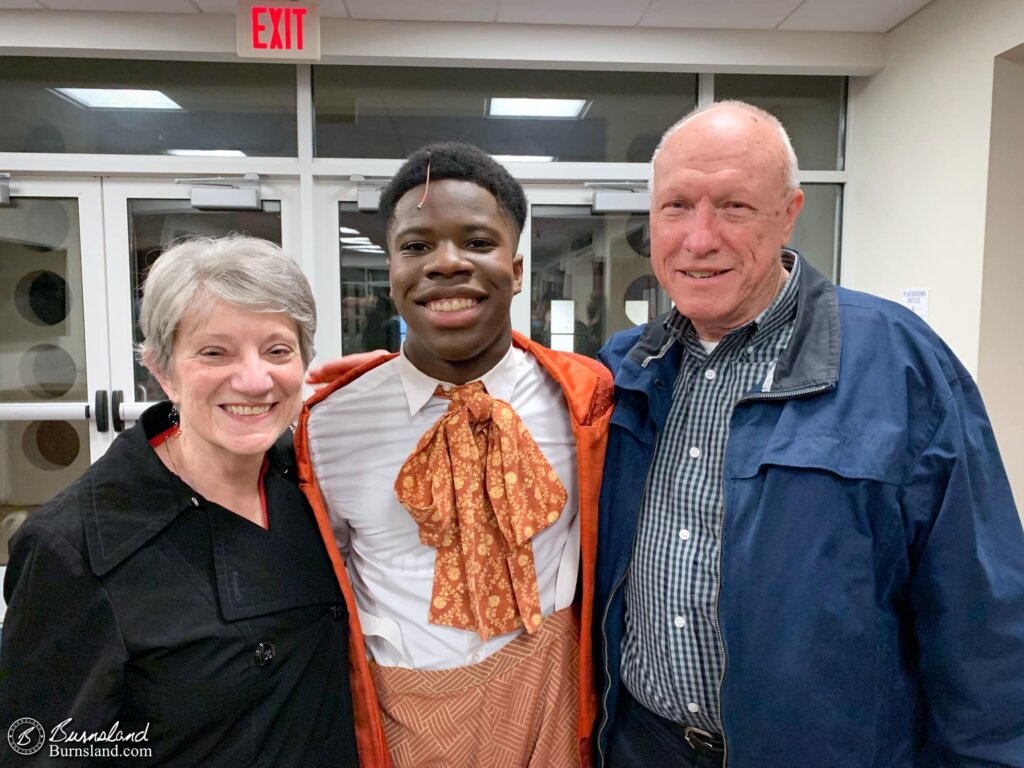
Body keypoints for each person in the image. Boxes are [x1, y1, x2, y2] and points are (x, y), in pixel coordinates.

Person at [594, 101, 1024, 767]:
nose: (699, 238)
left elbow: (981, 618)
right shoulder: (622, 371)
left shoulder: (899, 363)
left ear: (790, 213)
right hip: (642, 746)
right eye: (676, 206)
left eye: (734, 206)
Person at [295, 142, 613, 768]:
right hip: (404, 716)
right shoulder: (329, 424)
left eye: (476, 241)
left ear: (516, 268)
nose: (446, 264)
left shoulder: (584, 398)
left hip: (549, 703)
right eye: (416, 246)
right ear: (390, 269)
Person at [1, 235, 359, 767]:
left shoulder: (312, 478)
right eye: (214, 352)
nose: (255, 379)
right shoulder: (76, 547)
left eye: (278, 350)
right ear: (161, 370)